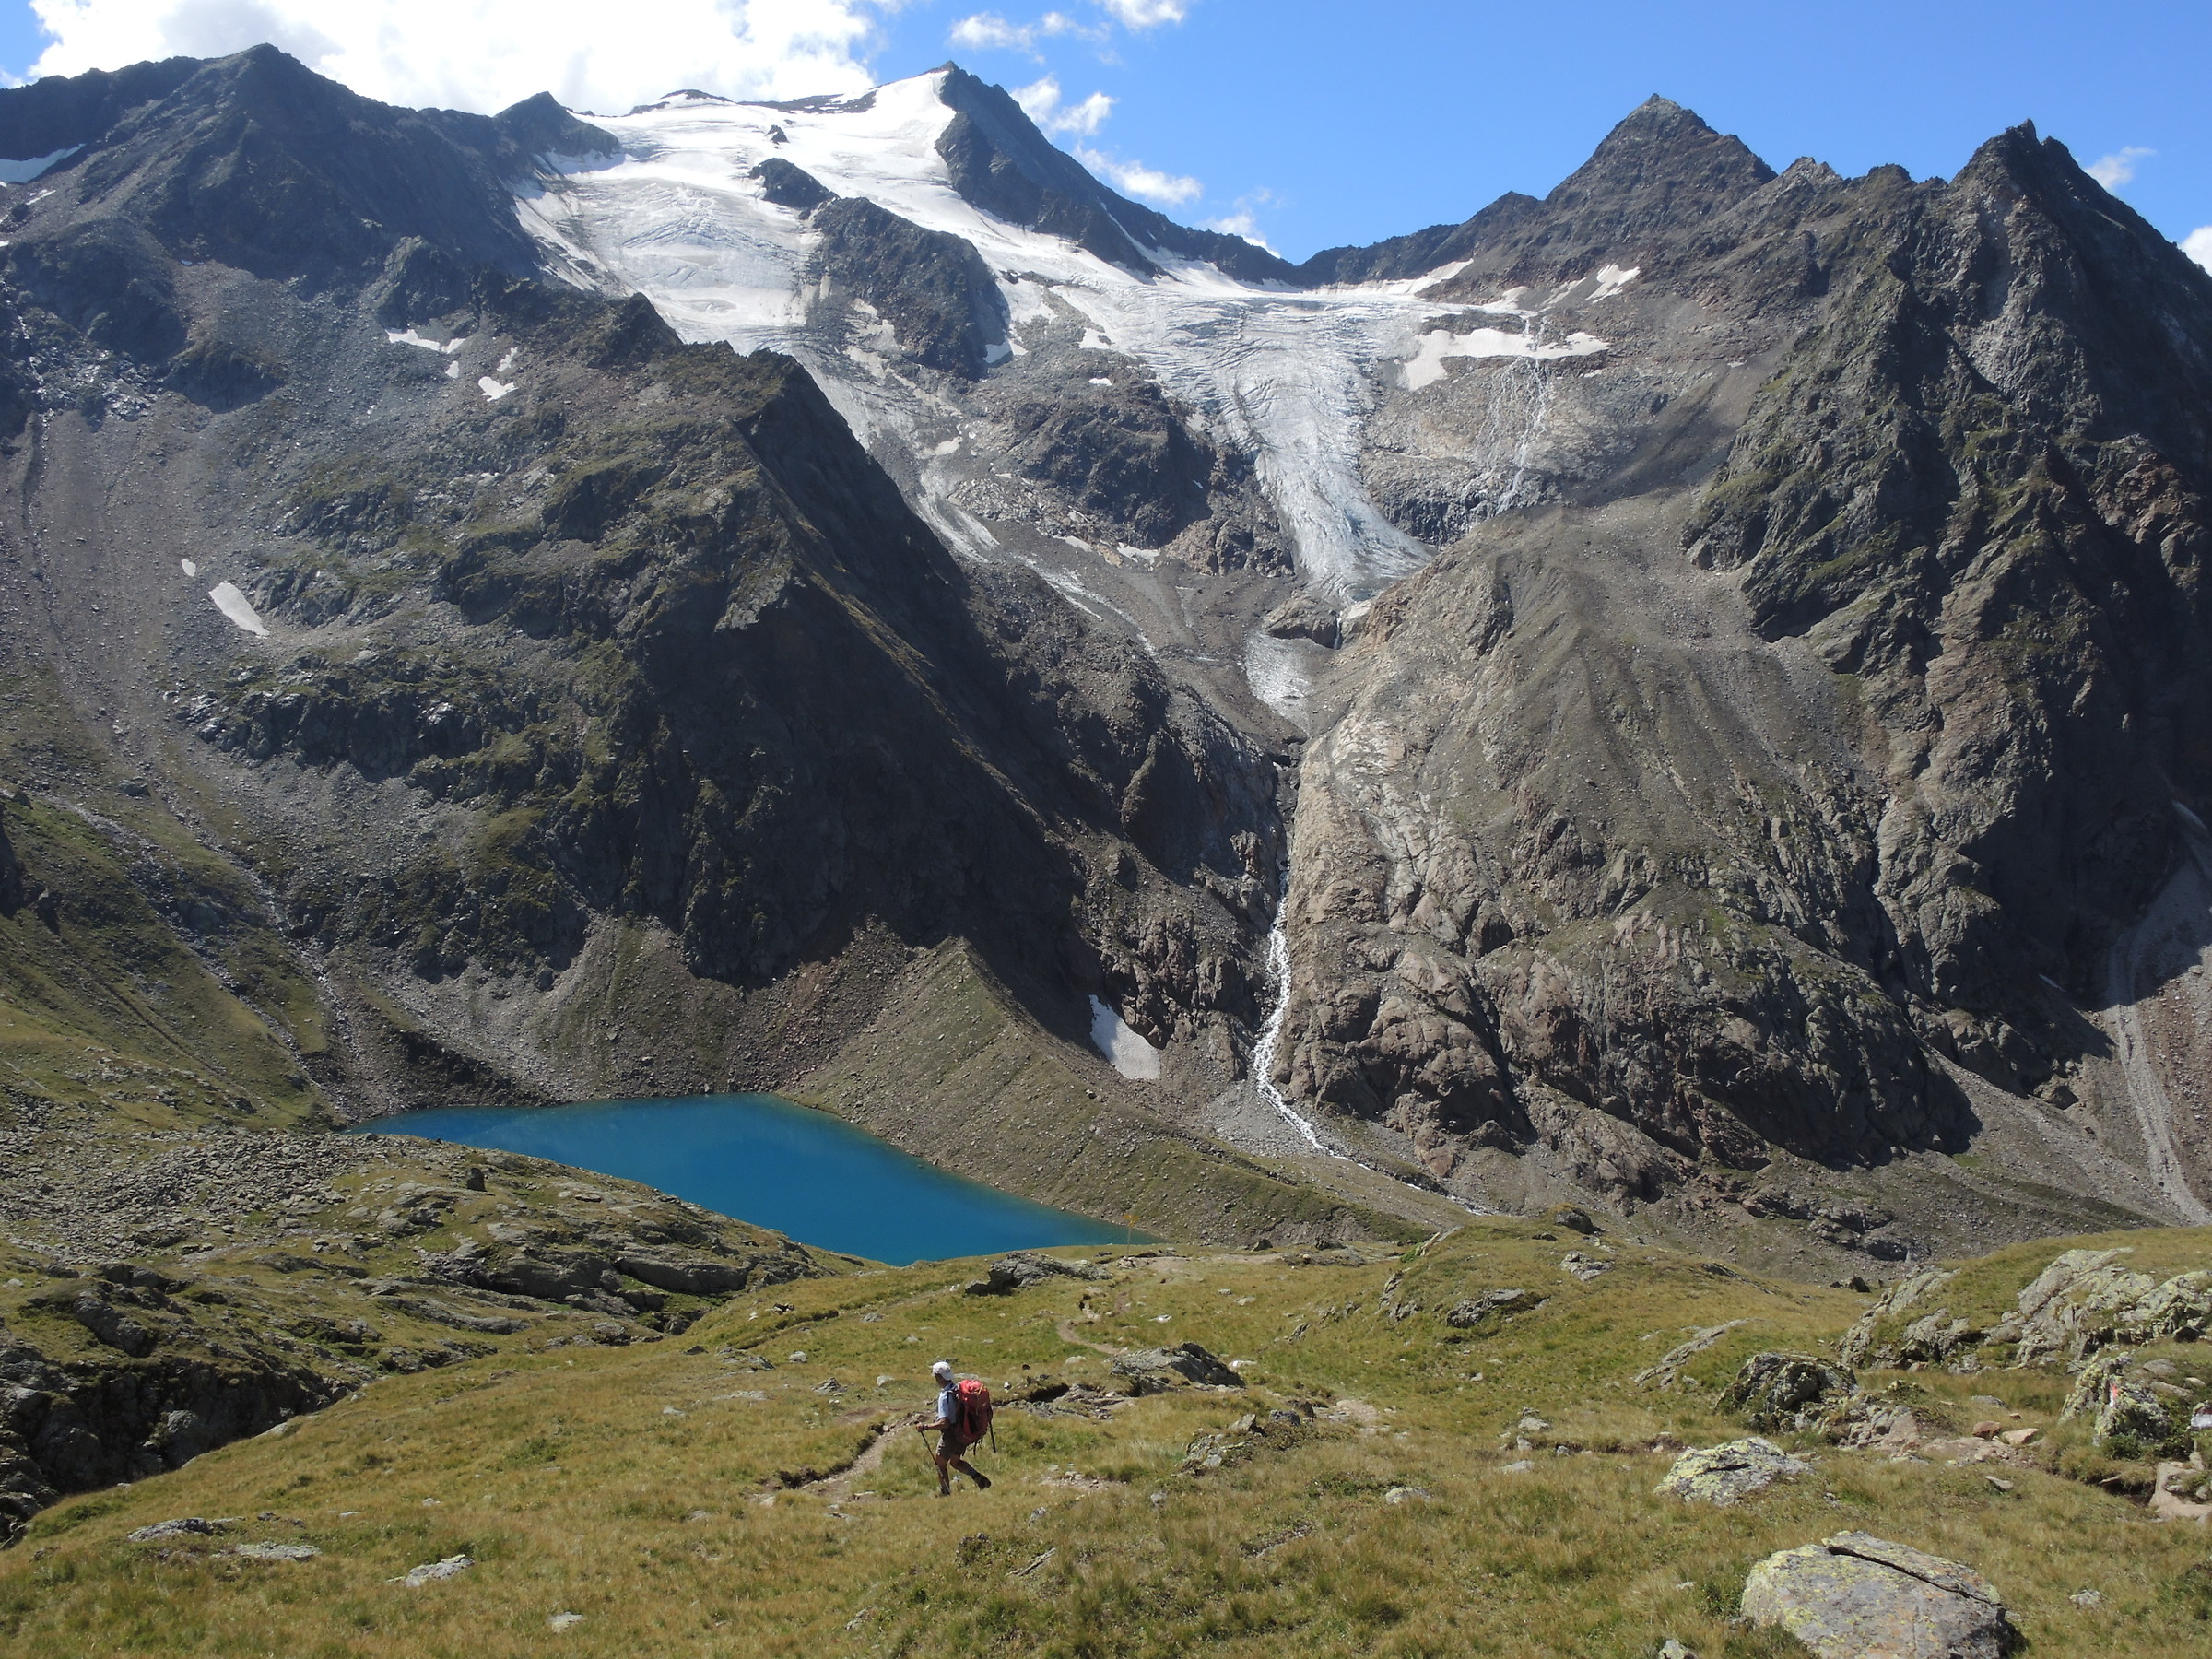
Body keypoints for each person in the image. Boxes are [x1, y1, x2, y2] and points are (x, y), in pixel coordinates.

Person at [924, 1359, 992, 1497]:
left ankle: (945, 1492)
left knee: (940, 1464)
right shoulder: (958, 1390)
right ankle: (979, 1478)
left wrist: (926, 1426)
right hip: (963, 1433)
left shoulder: (944, 1396)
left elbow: (944, 1422)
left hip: (951, 1435)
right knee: (955, 1462)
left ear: (938, 1377)